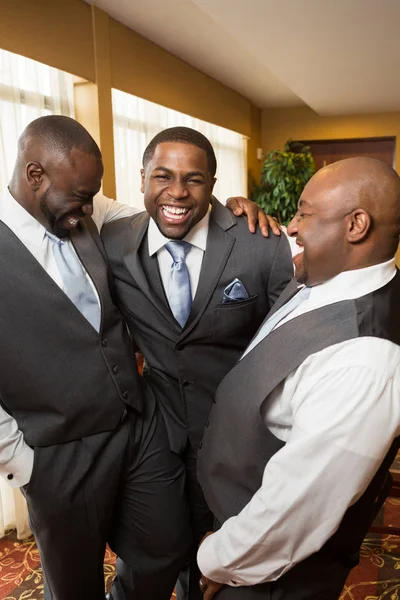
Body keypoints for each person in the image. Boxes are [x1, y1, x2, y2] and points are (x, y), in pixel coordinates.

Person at [0, 116, 276, 600]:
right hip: (59, 450)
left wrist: (227, 210)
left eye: (93, 198)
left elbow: (162, 209)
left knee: (165, 548)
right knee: (74, 583)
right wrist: (20, 463)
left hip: (137, 425)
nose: (87, 210)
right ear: (34, 175)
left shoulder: (87, 211)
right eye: (80, 199)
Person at [101, 126, 294, 600]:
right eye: (162, 176)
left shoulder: (260, 243)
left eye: (194, 179)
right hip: (157, 432)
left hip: (240, 437)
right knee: (155, 550)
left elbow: (289, 342)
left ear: (212, 184)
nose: (177, 192)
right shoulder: (110, 242)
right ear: (142, 177)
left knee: (226, 567)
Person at [196, 157, 400, 600]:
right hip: (240, 521)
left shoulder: (365, 357)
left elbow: (299, 504)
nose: (291, 225)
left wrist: (221, 560)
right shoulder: (328, 273)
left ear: (356, 226)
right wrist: (233, 210)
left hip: (266, 571)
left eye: (305, 212)